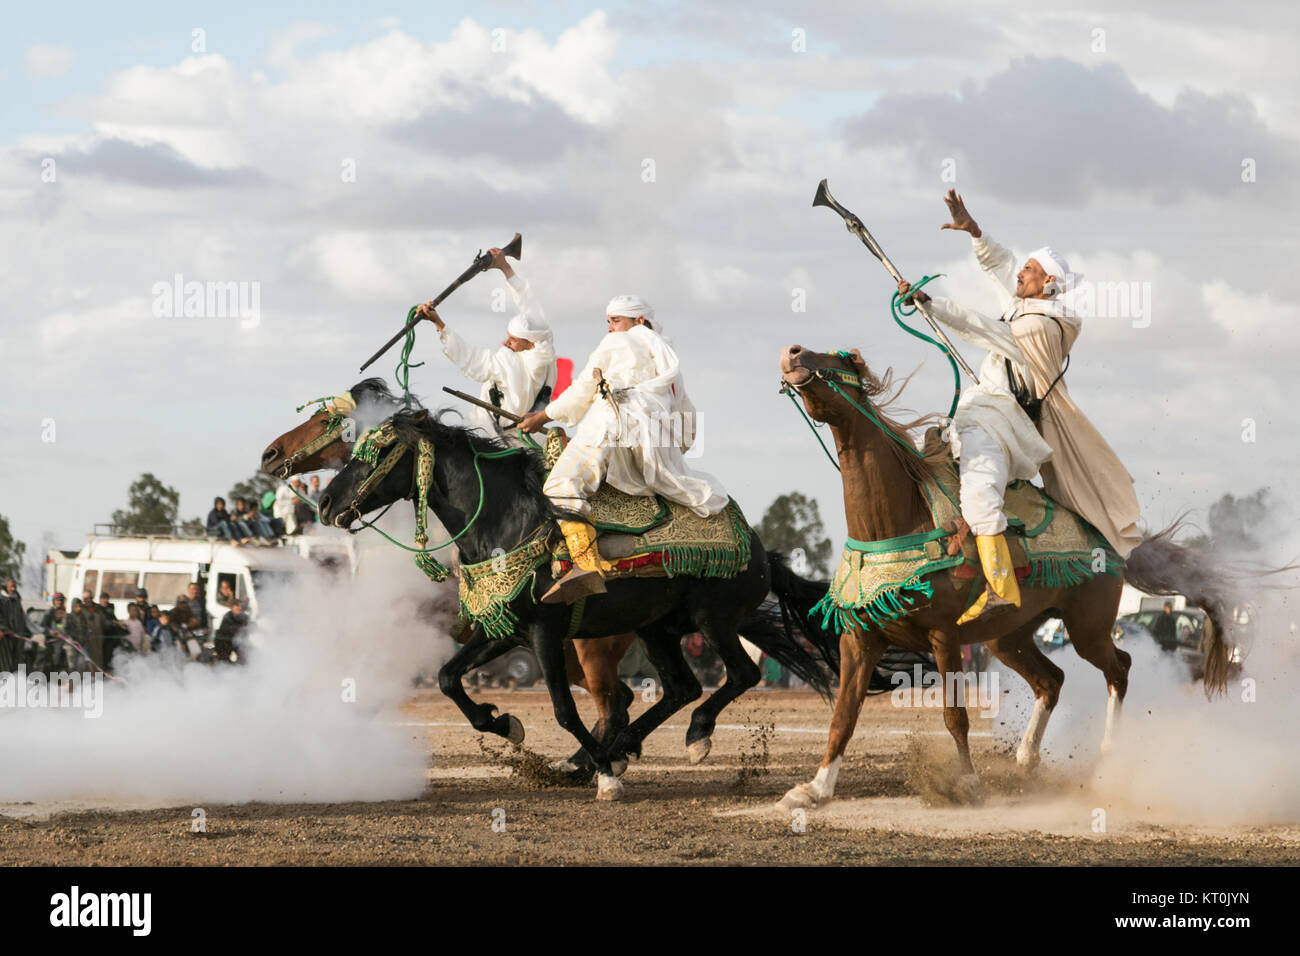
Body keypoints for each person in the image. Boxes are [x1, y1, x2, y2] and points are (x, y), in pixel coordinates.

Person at [898, 190, 1142, 624]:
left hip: (1002, 423)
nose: (1020, 274)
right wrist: (973, 229)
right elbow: (1005, 265)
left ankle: (1000, 588)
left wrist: (932, 305)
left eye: (1031, 271)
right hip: (978, 412)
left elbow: (988, 330)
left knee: (978, 493)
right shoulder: (1029, 304)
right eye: (1025, 268)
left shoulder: (1040, 325)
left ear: (1047, 284)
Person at [519, 295, 728, 603]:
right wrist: (671, 454)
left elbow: (582, 391)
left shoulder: (618, 344)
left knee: (560, 486)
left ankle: (585, 565)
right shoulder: (667, 360)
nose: (609, 328)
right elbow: (688, 419)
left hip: (611, 428)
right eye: (608, 321)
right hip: (653, 453)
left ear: (638, 321)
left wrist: (542, 416)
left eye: (615, 320)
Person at [418, 248, 556, 443]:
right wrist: (504, 267)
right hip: (533, 442)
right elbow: (528, 302)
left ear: (529, 343)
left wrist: (438, 323)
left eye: (513, 340)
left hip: (494, 440)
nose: (506, 343)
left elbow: (469, 358)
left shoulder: (507, 362)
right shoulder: (545, 348)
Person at [0, 578, 30, 673]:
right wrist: (3, 629)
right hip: (5, 636)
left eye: (14, 586)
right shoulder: (2, 600)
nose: (13, 589)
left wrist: (27, 632)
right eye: (11, 586)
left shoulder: (17, 600)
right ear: (5, 587)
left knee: (17, 661)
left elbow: (23, 617)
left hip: (18, 636)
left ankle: (15, 682)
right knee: (5, 661)